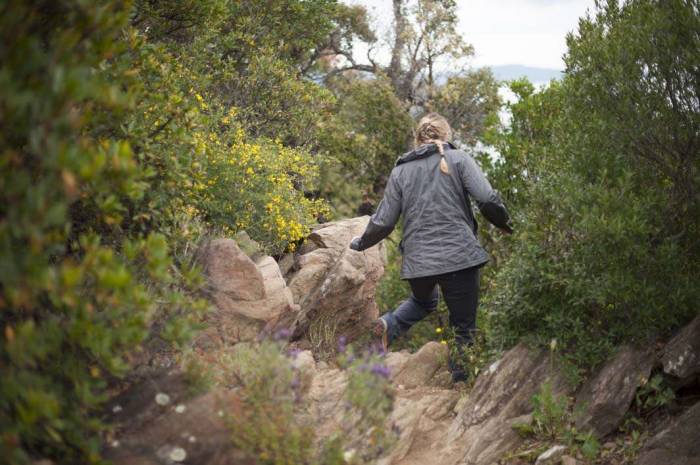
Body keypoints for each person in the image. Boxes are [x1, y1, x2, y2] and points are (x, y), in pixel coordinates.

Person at [349, 112, 513, 382]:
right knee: (463, 328)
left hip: (419, 263)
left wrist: (361, 242)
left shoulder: (401, 170)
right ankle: (460, 384)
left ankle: (388, 326)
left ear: (418, 139)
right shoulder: (458, 159)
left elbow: (384, 221)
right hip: (460, 257)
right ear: (446, 136)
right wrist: (504, 223)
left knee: (423, 301)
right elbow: (486, 198)